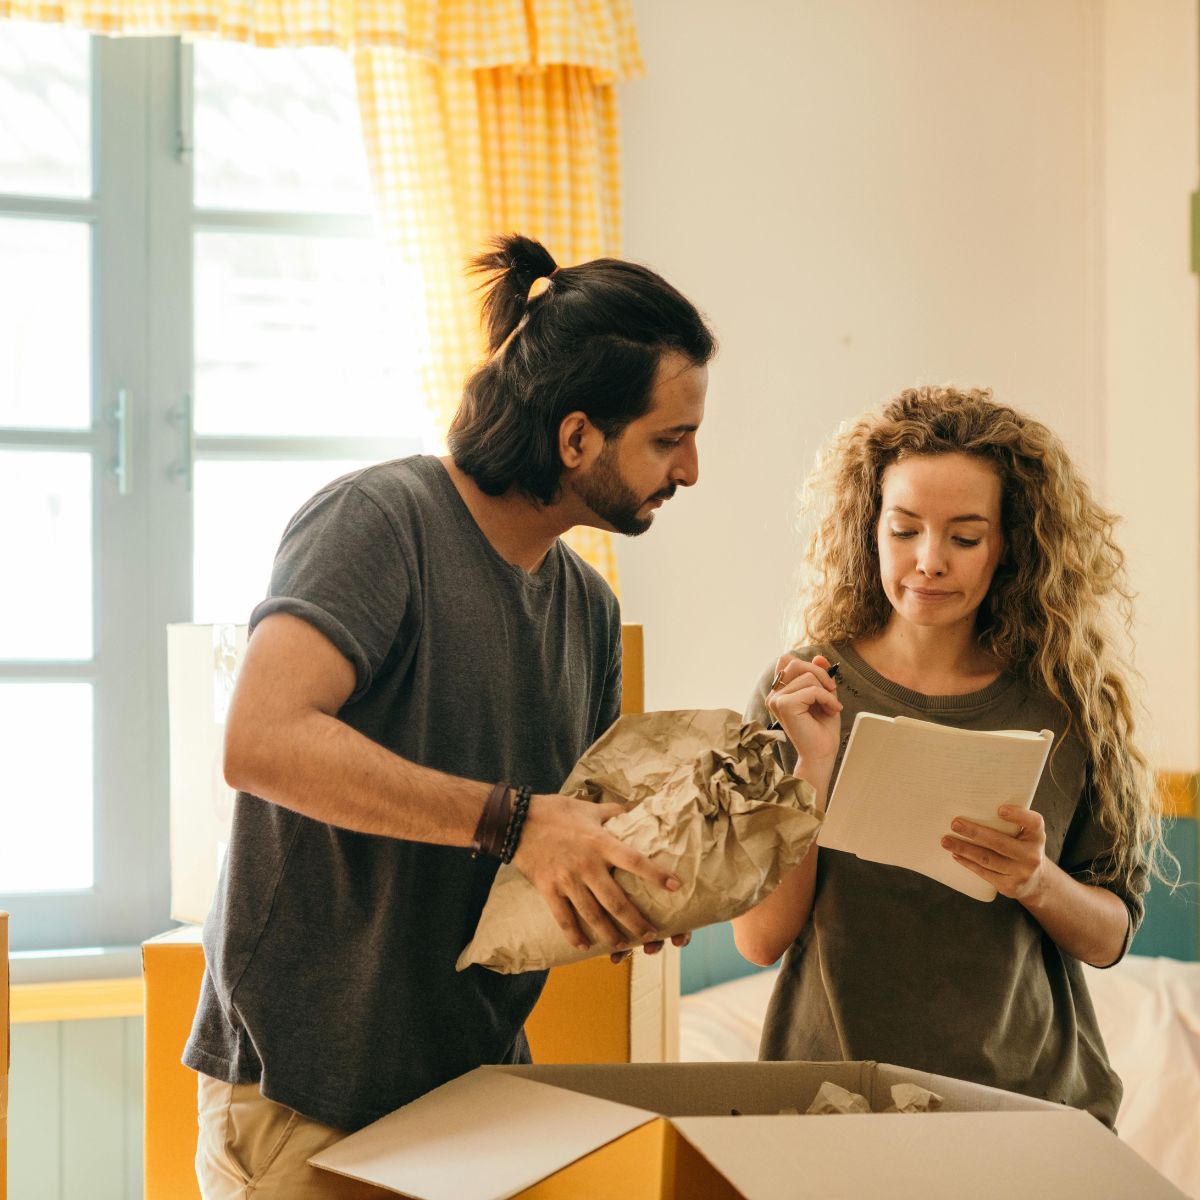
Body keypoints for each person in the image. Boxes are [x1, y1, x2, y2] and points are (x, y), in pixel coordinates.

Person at [184, 233, 716, 1197]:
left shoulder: (588, 611)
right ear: (577, 436)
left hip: (476, 1094)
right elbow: (261, 741)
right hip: (304, 1092)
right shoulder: (379, 521)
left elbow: (551, 851)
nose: (688, 472)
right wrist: (517, 822)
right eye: (669, 440)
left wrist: (635, 887)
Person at [733, 386, 1172, 1128]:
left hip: (1029, 1110)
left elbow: (1110, 935)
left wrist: (1036, 880)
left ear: (1010, 545)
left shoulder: (1066, 705)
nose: (928, 562)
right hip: (836, 1106)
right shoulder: (802, 691)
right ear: (869, 528)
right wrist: (812, 770)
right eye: (904, 530)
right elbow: (758, 939)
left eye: (964, 538)